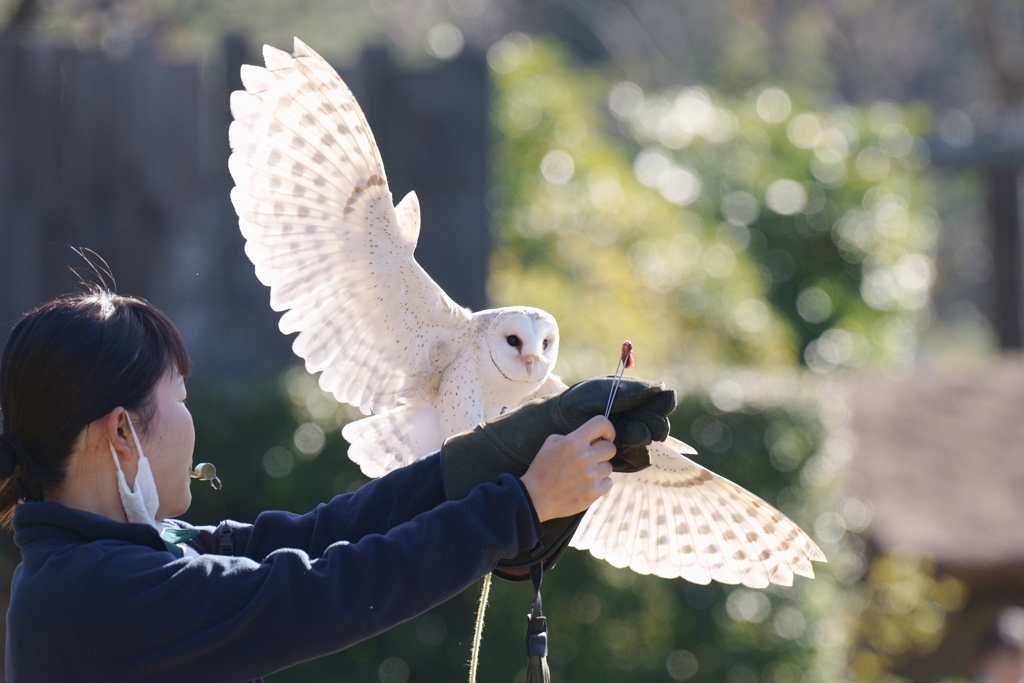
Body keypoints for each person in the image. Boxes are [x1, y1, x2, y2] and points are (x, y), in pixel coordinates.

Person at [0, 288, 675, 682]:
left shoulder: (121, 556)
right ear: (122, 432)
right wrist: (521, 504)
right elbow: (320, 591)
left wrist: (499, 453)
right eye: (180, 396)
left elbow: (318, 537)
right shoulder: (89, 591)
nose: (190, 417)